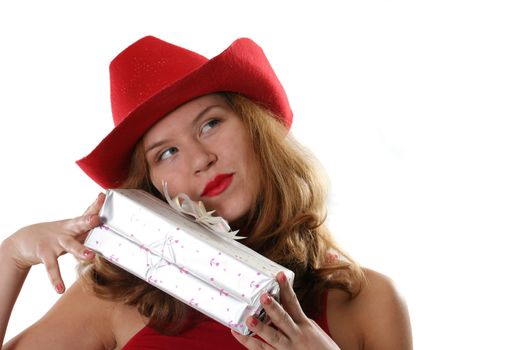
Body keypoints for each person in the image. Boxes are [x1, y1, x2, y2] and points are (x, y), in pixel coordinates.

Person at [0, 36, 412, 349]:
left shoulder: (366, 301)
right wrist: (12, 256)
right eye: (167, 153)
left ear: (256, 129)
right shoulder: (115, 298)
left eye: (210, 124)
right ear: (148, 188)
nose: (199, 159)